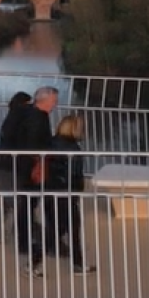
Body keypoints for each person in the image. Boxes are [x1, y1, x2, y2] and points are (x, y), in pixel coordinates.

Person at [11, 86, 57, 277]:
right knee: (29, 204)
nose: (55, 104)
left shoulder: (32, 114)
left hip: (28, 168)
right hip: (33, 169)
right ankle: (28, 243)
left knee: (28, 205)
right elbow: (34, 145)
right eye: (54, 100)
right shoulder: (38, 118)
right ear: (44, 101)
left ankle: (26, 241)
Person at [44, 114, 96, 273]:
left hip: (51, 190)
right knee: (66, 229)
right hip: (66, 193)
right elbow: (74, 174)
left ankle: (78, 263)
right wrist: (78, 190)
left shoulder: (51, 142)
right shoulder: (72, 149)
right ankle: (35, 260)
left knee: (61, 229)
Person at [0, 91, 32, 243]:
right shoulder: (20, 121)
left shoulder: (11, 119)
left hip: (5, 165)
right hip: (12, 167)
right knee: (14, 201)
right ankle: (18, 232)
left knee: (3, 201)